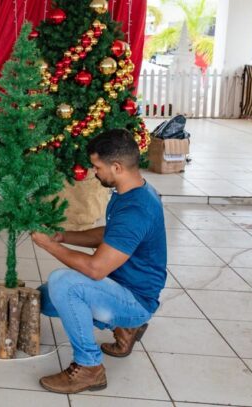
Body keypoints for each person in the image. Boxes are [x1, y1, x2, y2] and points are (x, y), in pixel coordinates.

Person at [31, 129, 167, 394]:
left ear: (116, 167)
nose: (95, 172)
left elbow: (95, 269)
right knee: (45, 298)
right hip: (119, 286)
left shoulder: (136, 209)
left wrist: (48, 245)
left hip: (135, 299)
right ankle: (124, 326)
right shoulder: (130, 191)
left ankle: (90, 367)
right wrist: (63, 236)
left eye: (97, 167)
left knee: (64, 283)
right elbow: (110, 234)